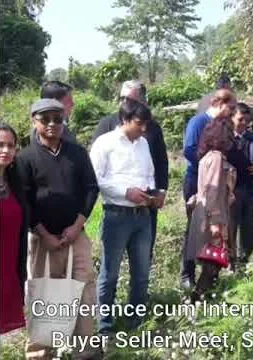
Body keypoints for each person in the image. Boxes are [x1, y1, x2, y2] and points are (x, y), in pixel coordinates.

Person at [17, 99, 100, 360]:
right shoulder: (25, 158)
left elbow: (91, 188)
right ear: (34, 122)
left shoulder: (77, 153)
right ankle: (41, 352)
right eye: (45, 119)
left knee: (84, 292)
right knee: (44, 294)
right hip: (43, 240)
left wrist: (77, 226)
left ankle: (84, 351)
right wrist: (43, 234)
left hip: (76, 236)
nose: (52, 123)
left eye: (57, 118)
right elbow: (25, 200)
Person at [90, 99, 156, 333]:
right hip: (117, 216)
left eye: (146, 124)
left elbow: (149, 174)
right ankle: (104, 328)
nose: (143, 129)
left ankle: (135, 324)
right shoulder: (104, 143)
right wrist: (125, 192)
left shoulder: (143, 144)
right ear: (125, 120)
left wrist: (151, 192)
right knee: (110, 274)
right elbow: (96, 178)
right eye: (139, 123)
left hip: (142, 216)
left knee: (141, 273)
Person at [91, 80, 168, 260]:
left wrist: (160, 191)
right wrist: (124, 192)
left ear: (143, 102)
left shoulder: (152, 129)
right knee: (110, 267)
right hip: (117, 208)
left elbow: (160, 162)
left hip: (145, 206)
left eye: (130, 99)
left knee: (142, 261)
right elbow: (96, 172)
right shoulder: (106, 126)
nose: (125, 103)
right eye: (122, 98)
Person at [181, 89, 237, 288]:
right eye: (231, 108)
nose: (232, 112)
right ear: (219, 103)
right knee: (201, 238)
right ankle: (191, 281)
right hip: (202, 187)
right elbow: (189, 150)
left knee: (206, 243)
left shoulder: (214, 155)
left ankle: (201, 289)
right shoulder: (199, 123)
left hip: (208, 189)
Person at [227, 103, 253, 268]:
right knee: (230, 227)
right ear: (232, 118)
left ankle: (244, 261)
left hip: (251, 188)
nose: (243, 123)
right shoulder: (226, 139)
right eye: (240, 119)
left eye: (247, 120)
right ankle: (229, 263)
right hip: (231, 190)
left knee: (249, 227)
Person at [0, 123, 28, 335]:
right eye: (0, 145)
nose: (6, 150)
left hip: (8, 270)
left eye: (11, 145)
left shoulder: (14, 182)